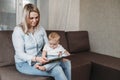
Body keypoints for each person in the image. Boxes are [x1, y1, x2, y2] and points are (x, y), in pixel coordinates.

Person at [12, 3, 71, 80]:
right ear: (26, 17)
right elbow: (20, 54)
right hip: (24, 63)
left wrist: (57, 54)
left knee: (67, 63)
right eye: (31, 18)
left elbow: (48, 45)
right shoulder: (18, 30)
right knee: (57, 70)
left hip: (40, 58)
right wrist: (36, 59)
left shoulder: (40, 29)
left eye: (36, 17)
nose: (35, 20)